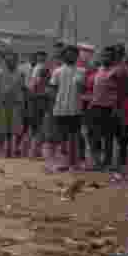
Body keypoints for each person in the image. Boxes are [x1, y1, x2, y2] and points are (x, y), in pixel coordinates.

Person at [49, 45, 86, 173]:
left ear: (77, 56)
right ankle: (63, 162)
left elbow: (83, 90)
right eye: (68, 54)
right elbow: (53, 91)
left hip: (75, 109)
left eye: (73, 54)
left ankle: (74, 162)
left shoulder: (82, 71)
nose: (70, 56)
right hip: (60, 108)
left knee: (74, 137)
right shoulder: (57, 71)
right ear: (64, 55)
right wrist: (52, 106)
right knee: (62, 137)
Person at [0, 51, 27, 158]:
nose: (10, 61)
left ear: (16, 61)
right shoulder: (0, 73)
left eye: (12, 59)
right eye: (8, 59)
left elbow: (23, 88)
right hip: (4, 103)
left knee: (15, 128)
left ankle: (14, 148)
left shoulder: (21, 73)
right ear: (5, 61)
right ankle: (6, 149)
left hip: (16, 103)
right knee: (4, 128)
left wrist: (23, 103)